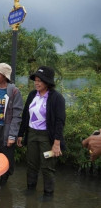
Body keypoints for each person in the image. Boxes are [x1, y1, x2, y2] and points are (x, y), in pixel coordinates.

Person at [17, 66, 65, 198]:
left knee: (47, 166)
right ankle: (30, 189)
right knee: (31, 164)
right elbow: (26, 115)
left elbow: (60, 122)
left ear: (48, 82)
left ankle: (48, 195)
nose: (37, 83)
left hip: (47, 138)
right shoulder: (33, 95)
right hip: (32, 134)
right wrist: (21, 134)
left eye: (40, 80)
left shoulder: (56, 98)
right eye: (36, 80)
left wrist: (56, 143)